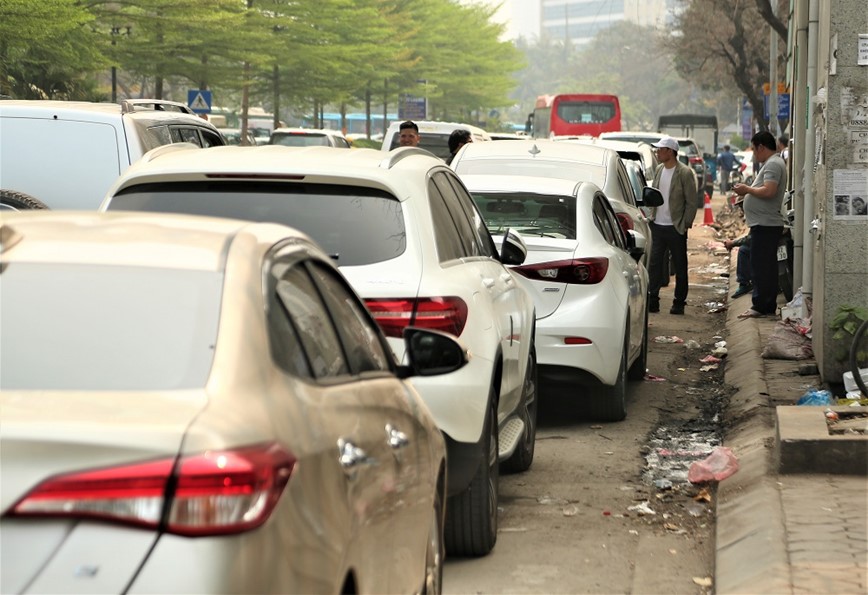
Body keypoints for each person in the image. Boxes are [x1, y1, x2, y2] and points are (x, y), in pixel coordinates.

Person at [732, 130, 787, 318]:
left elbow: (769, 191)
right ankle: (765, 304)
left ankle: (761, 305)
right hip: (763, 223)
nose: (754, 154)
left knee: (761, 266)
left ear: (762, 147)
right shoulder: (773, 163)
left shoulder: (773, 164)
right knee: (764, 265)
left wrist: (747, 189)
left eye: (755, 150)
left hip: (766, 224)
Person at [647, 136, 699, 315]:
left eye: (661, 150)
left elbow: (691, 202)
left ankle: (679, 302)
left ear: (670, 151)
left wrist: (685, 225)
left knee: (679, 265)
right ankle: (653, 300)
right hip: (658, 226)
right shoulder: (660, 169)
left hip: (675, 227)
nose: (657, 153)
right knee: (654, 264)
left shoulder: (684, 172)